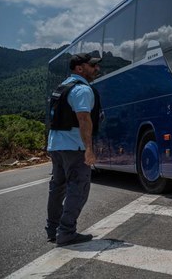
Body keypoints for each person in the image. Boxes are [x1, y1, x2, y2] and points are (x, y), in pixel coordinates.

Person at [45, 53, 102, 247]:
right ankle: (67, 232)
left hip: (56, 146)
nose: (97, 69)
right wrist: (89, 149)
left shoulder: (61, 88)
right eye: (92, 65)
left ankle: (52, 230)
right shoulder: (82, 90)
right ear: (79, 68)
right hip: (73, 147)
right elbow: (84, 119)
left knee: (57, 189)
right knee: (79, 188)